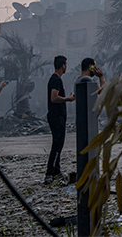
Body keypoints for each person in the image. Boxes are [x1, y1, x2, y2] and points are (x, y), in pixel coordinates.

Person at [45, 55, 75, 184]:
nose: (66, 67)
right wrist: (67, 99)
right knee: (57, 145)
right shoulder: (56, 80)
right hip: (56, 116)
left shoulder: (55, 79)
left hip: (57, 116)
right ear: (63, 65)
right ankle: (50, 173)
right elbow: (54, 98)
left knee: (59, 144)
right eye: (66, 65)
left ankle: (56, 171)